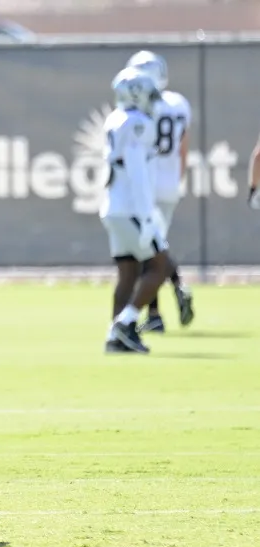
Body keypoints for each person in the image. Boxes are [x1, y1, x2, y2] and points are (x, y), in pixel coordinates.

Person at [101, 67, 170, 354]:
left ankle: (115, 337)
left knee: (127, 273)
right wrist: (145, 217)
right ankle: (125, 323)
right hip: (131, 206)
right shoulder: (139, 123)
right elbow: (138, 171)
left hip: (112, 204)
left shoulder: (115, 119)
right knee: (160, 265)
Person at [126, 50, 194, 333]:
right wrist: (178, 179)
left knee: (148, 251)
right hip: (170, 184)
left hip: (149, 183)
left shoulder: (145, 108)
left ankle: (156, 313)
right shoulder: (179, 103)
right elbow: (183, 149)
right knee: (154, 247)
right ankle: (167, 298)